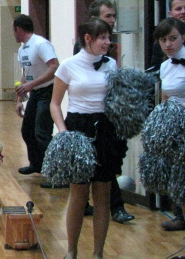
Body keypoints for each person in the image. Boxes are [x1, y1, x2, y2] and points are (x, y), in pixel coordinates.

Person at [51, 18, 128, 259]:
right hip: (78, 128)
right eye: (102, 38)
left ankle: (98, 254)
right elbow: (54, 104)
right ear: (88, 39)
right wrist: (64, 133)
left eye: (108, 37)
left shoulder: (112, 65)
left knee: (102, 195)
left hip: (105, 129)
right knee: (79, 193)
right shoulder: (67, 66)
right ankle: (72, 251)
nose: (108, 42)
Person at [75, 0, 135, 223]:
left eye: (113, 16)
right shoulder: (81, 51)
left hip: (108, 120)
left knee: (107, 170)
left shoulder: (110, 54)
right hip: (84, 121)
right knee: (87, 174)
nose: (112, 20)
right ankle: (86, 205)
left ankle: (115, 207)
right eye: (107, 16)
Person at [13, 15, 59, 184]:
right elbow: (25, 75)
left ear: (18, 29)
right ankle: (37, 164)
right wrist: (19, 99)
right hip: (35, 93)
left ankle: (56, 173)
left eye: (14, 30)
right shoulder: (22, 49)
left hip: (47, 92)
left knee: (42, 133)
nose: (14, 33)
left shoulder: (41, 44)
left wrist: (32, 84)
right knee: (27, 130)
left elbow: (54, 67)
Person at [153, 17, 185, 231]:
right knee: (178, 180)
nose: (168, 44)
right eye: (163, 40)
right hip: (174, 130)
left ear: (183, 37)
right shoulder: (165, 66)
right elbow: (165, 98)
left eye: (173, 39)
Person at [150, 0, 185, 70]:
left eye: (173, 38)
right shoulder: (162, 39)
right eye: (178, 9)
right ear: (170, 14)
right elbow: (155, 69)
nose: (183, 12)